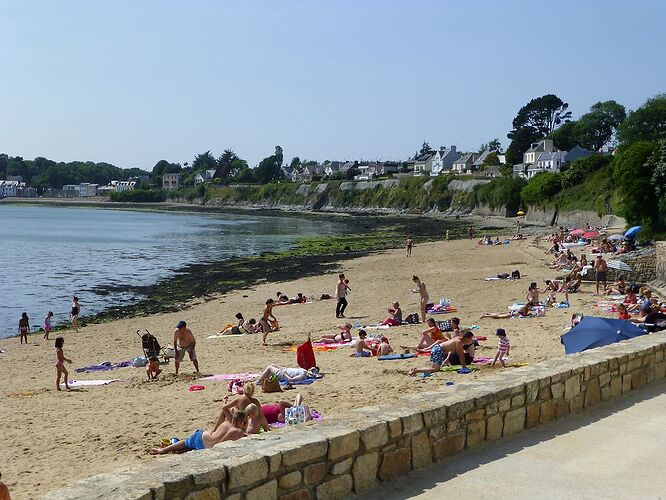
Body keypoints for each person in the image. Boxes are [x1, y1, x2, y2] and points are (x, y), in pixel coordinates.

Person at [149, 409, 247, 454]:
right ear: (242, 422)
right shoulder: (240, 433)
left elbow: (224, 408)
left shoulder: (227, 422)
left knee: (185, 442)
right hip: (207, 448)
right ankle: (187, 449)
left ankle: (163, 450)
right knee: (187, 445)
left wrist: (214, 429)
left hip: (202, 438)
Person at [408, 332, 473, 375]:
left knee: (433, 367)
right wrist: (464, 367)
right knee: (435, 369)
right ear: (467, 338)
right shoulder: (459, 342)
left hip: (437, 348)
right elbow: (461, 355)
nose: (471, 341)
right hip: (439, 350)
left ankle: (416, 370)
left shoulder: (458, 338)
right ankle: (416, 370)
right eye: (471, 339)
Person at [255, 365, 320, 386]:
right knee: (273, 364)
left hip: (283, 374)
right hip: (285, 369)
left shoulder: (303, 375)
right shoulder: (304, 370)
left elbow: (290, 380)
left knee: (269, 368)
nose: (311, 368)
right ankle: (263, 380)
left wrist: (284, 372)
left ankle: (258, 382)